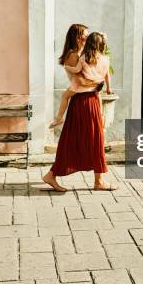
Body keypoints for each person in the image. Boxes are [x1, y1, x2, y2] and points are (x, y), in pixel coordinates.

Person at [43, 31, 117, 192]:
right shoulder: (102, 59)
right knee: (94, 140)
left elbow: (76, 72)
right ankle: (98, 181)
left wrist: (67, 67)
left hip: (83, 101)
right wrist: (108, 88)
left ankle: (97, 181)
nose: (85, 36)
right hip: (89, 102)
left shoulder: (82, 58)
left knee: (77, 140)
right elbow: (106, 77)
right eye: (83, 33)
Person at [49, 30, 111, 128]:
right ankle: (101, 116)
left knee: (65, 96)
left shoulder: (84, 57)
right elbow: (107, 74)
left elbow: (76, 70)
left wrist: (67, 67)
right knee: (98, 95)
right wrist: (108, 87)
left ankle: (59, 118)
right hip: (96, 86)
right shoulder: (105, 59)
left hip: (82, 86)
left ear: (88, 43)